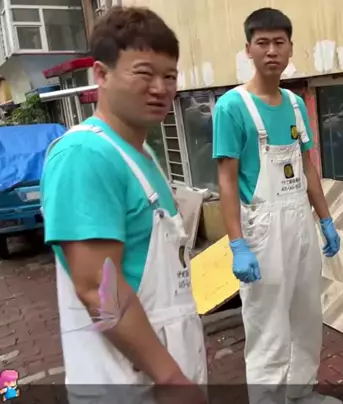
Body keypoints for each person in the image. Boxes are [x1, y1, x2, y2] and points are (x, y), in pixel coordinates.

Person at [41, 6, 207, 403]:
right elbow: (97, 289)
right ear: (101, 74)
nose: (160, 88)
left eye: (170, 76)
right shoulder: (84, 155)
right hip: (125, 383)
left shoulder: (143, 155)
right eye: (144, 73)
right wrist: (169, 376)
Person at [212, 7, 341, 404]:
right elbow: (227, 179)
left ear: (290, 48)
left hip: (300, 221)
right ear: (248, 49)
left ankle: (301, 393)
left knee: (306, 315)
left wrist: (325, 219)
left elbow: (307, 165)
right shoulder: (232, 107)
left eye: (279, 43)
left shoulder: (296, 104)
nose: (272, 51)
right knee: (268, 325)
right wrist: (237, 243)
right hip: (263, 229)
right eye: (263, 43)